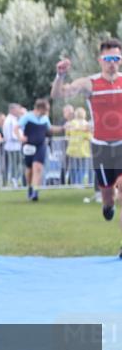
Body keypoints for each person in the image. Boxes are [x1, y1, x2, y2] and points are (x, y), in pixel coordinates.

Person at [53, 40, 122, 257]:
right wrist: (60, 75)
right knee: (109, 196)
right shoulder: (89, 83)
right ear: (100, 59)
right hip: (101, 148)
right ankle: (107, 207)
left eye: (117, 59)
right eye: (108, 59)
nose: (112, 63)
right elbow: (59, 94)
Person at [14, 98, 63, 201]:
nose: (47, 112)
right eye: (47, 109)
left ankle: (35, 192)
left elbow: (50, 129)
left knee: (38, 167)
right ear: (40, 108)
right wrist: (20, 138)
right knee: (29, 169)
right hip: (28, 146)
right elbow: (16, 127)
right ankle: (30, 187)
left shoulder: (45, 118)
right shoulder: (27, 117)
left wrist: (63, 128)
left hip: (41, 145)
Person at [65, 106, 92, 185]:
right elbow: (89, 137)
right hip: (83, 150)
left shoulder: (70, 124)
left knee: (73, 168)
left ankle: (74, 183)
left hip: (72, 150)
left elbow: (67, 134)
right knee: (82, 168)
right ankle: (80, 183)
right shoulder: (87, 125)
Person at [2, 104, 25, 188]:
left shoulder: (13, 119)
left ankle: (14, 178)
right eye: (17, 109)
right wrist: (20, 138)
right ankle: (13, 179)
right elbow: (12, 134)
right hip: (12, 146)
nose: (19, 111)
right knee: (15, 163)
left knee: (18, 163)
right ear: (12, 110)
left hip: (15, 145)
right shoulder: (10, 120)